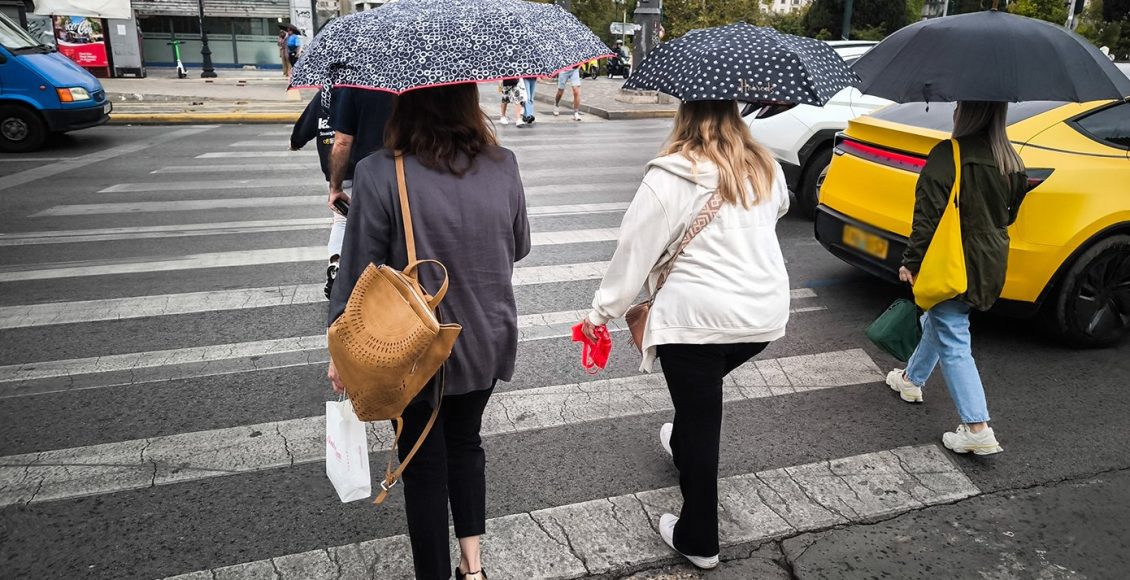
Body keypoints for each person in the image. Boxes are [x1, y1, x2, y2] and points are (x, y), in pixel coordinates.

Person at [328, 82, 531, 580]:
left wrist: (339, 349)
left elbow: (356, 272)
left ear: (404, 101)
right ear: (468, 100)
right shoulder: (503, 164)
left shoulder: (378, 171)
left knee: (421, 462)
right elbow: (519, 245)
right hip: (485, 338)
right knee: (466, 444)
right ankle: (473, 568)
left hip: (417, 350)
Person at [578, 99, 790, 569]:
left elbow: (633, 251)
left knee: (700, 420)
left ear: (685, 116)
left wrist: (600, 313)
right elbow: (776, 212)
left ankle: (698, 537)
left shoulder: (672, 176)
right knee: (699, 400)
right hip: (763, 315)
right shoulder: (765, 166)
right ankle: (681, 440)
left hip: (696, 319)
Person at [886, 101, 1028, 456]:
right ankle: (911, 380)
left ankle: (977, 427)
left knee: (953, 336)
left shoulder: (949, 153)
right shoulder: (1011, 159)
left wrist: (911, 261)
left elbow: (927, 215)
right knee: (942, 319)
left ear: (965, 114)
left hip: (953, 258)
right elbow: (1009, 215)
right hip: (990, 259)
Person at [325, 87, 395, 297]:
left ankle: (361, 291)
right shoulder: (413, 81)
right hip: (407, 172)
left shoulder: (355, 85)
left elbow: (342, 142)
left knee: (368, 239)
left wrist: (335, 187)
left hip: (368, 177)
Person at [290, 88, 343, 297]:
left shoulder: (325, 93)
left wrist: (296, 142)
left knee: (341, 222)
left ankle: (336, 265)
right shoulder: (364, 91)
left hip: (335, 171)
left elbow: (304, 126)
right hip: (362, 166)